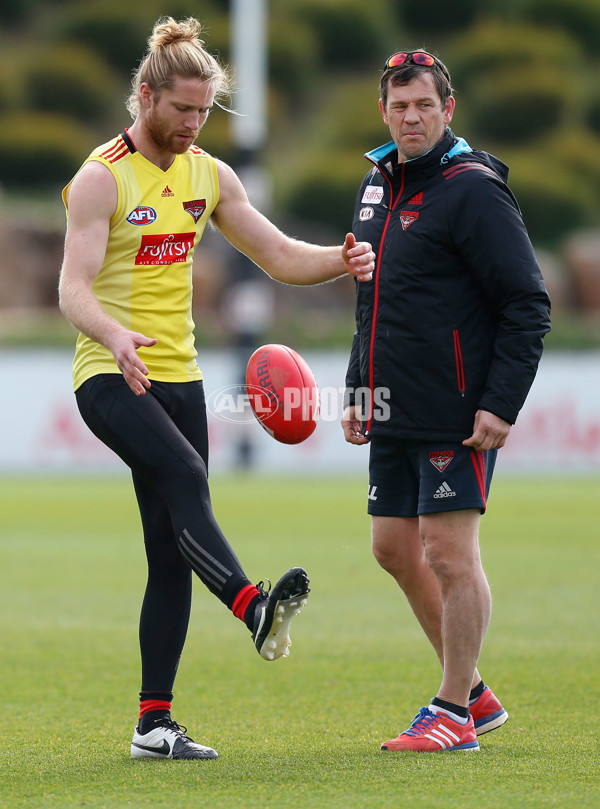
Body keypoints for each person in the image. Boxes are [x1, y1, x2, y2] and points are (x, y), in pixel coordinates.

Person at [58, 16, 375, 762]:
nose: (193, 125)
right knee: (187, 474)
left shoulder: (209, 173)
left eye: (204, 111)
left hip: (182, 377)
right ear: (145, 95)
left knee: (171, 551)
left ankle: (154, 723)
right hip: (109, 371)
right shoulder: (102, 174)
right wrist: (113, 335)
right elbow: (72, 289)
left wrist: (343, 257)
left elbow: (276, 254)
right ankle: (254, 607)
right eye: (181, 110)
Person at [341, 50, 551, 753]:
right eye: (399, 106)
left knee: (450, 553)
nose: (411, 117)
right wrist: (356, 388)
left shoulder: (474, 189)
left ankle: (453, 711)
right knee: (393, 547)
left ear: (447, 109)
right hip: (393, 405)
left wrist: (501, 403)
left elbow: (528, 303)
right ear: (384, 111)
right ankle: (477, 694)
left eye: (423, 105)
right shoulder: (377, 184)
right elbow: (371, 300)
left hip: (458, 412)